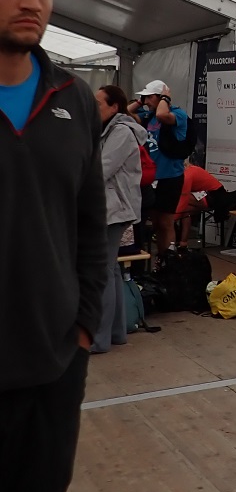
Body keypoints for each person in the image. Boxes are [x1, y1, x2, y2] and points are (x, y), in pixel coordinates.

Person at [0, 0, 107, 492]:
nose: (30, 2)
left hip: (50, 369)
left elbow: (88, 222)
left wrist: (83, 328)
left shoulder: (72, 97)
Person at [93, 84, 146, 352]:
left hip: (114, 210)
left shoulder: (121, 133)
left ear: (114, 107)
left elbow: (100, 169)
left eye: (99, 103)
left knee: (102, 272)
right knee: (111, 270)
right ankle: (115, 333)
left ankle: (100, 338)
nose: (94, 107)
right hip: (111, 208)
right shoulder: (108, 130)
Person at [128, 80, 188, 259]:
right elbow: (126, 112)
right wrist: (141, 100)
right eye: (145, 98)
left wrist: (165, 98)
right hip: (152, 177)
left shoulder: (177, 114)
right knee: (155, 222)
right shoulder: (148, 116)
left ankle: (168, 260)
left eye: (149, 97)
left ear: (161, 98)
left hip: (170, 176)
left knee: (166, 222)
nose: (146, 102)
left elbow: (163, 115)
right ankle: (161, 258)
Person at [173, 163, 227, 247]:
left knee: (181, 204)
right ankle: (182, 243)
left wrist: (170, 219)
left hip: (214, 196)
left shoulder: (187, 174)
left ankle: (178, 241)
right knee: (185, 211)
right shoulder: (185, 170)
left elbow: (183, 198)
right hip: (206, 194)